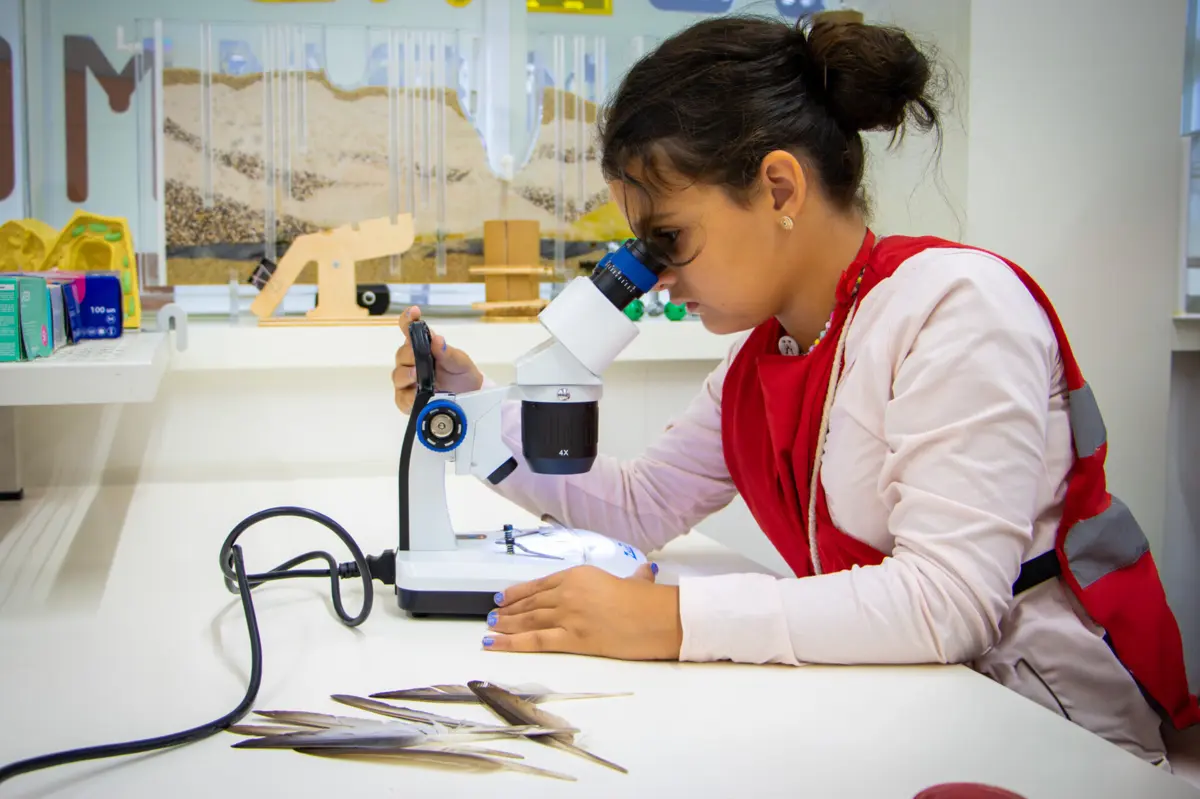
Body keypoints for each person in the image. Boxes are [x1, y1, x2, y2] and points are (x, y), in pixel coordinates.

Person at [392, 13, 1199, 767]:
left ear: (778, 188)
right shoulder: (769, 356)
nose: (655, 277)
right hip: (906, 709)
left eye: (667, 238)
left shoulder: (955, 307)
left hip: (1051, 732)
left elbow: (946, 602)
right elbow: (638, 507)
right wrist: (470, 415)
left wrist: (669, 620)